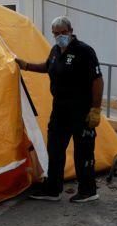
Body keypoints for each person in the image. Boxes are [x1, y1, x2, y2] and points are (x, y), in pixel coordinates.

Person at [16, 16, 104, 203]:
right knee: (55, 148)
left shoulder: (84, 51)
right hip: (60, 109)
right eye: (56, 34)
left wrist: (96, 109)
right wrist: (26, 66)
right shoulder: (56, 50)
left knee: (83, 151)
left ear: (71, 30)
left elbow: (97, 80)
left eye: (63, 33)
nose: (60, 36)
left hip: (81, 110)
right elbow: (48, 67)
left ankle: (88, 190)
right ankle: (53, 189)